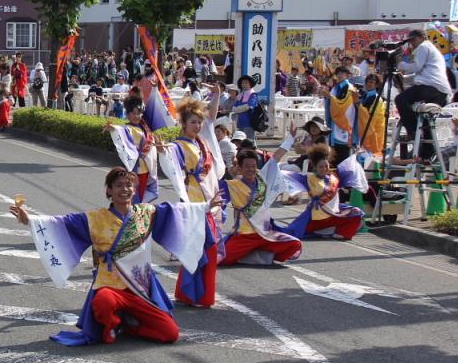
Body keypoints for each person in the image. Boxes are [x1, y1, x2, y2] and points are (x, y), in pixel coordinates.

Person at [9, 168, 208, 346]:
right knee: (103, 301)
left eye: (129, 185)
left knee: (170, 333)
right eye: (119, 185)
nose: (125, 189)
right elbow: (61, 223)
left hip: (140, 288)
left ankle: (131, 326)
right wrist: (30, 220)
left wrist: (206, 207)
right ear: (109, 191)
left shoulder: (146, 212)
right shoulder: (95, 218)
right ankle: (111, 326)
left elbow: (177, 211)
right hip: (109, 286)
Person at [156, 87, 225, 308]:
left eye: (198, 122)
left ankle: (192, 293)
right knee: (201, 249)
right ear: (183, 124)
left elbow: (211, 119)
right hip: (194, 205)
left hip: (209, 202)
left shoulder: (201, 142)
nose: (197, 126)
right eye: (193, 122)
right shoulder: (178, 146)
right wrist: (161, 151)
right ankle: (192, 293)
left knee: (204, 250)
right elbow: (169, 158)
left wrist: (216, 95)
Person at [218, 137, 303, 267]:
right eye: (246, 166)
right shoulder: (232, 185)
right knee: (218, 260)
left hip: (265, 234)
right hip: (243, 236)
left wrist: (290, 138)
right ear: (239, 168)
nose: (250, 169)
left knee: (295, 244)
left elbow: (276, 158)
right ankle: (250, 256)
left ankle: (252, 255)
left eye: (253, 166)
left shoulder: (262, 180)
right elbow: (211, 188)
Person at [279, 144, 368, 240]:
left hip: (333, 214)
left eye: (326, 166)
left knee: (357, 213)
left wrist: (356, 154)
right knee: (292, 232)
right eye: (321, 167)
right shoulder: (309, 178)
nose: (324, 169)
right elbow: (286, 175)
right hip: (316, 218)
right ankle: (324, 231)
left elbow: (349, 166)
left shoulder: (334, 177)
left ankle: (339, 233)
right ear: (315, 167)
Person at [395, 29, 452, 161]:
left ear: (422, 37)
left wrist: (400, 64)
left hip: (430, 87)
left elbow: (416, 66)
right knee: (426, 122)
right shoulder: (431, 50)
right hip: (439, 90)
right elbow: (419, 74)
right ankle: (426, 156)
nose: (412, 44)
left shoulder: (424, 46)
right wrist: (403, 78)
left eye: (413, 40)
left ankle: (413, 130)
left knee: (400, 99)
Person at [104, 94, 160, 203]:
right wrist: (112, 128)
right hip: (134, 170)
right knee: (133, 197)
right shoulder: (127, 128)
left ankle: (136, 216)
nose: (137, 116)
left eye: (139, 113)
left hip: (146, 169)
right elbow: (120, 130)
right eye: (133, 113)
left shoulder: (144, 127)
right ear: (127, 114)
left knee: (141, 196)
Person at [324, 66, 358, 165]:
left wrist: (329, 96)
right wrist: (328, 97)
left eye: (342, 73)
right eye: (338, 73)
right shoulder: (336, 87)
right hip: (336, 122)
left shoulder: (349, 88)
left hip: (344, 121)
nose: (339, 75)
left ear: (347, 75)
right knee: (333, 155)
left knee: (342, 157)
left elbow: (342, 104)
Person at [357, 74, 386, 157]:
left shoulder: (376, 98)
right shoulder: (366, 95)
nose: (369, 84)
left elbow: (371, 117)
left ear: (376, 85)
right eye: (367, 82)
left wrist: (358, 105)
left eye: (372, 82)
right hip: (366, 131)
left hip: (374, 133)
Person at [229, 75, 260, 140]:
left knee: (249, 141)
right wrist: (238, 109)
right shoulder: (240, 95)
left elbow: (248, 106)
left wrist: (237, 109)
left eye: (246, 83)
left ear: (250, 84)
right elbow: (234, 107)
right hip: (240, 121)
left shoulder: (253, 94)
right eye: (243, 83)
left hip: (249, 122)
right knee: (240, 140)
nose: (244, 84)